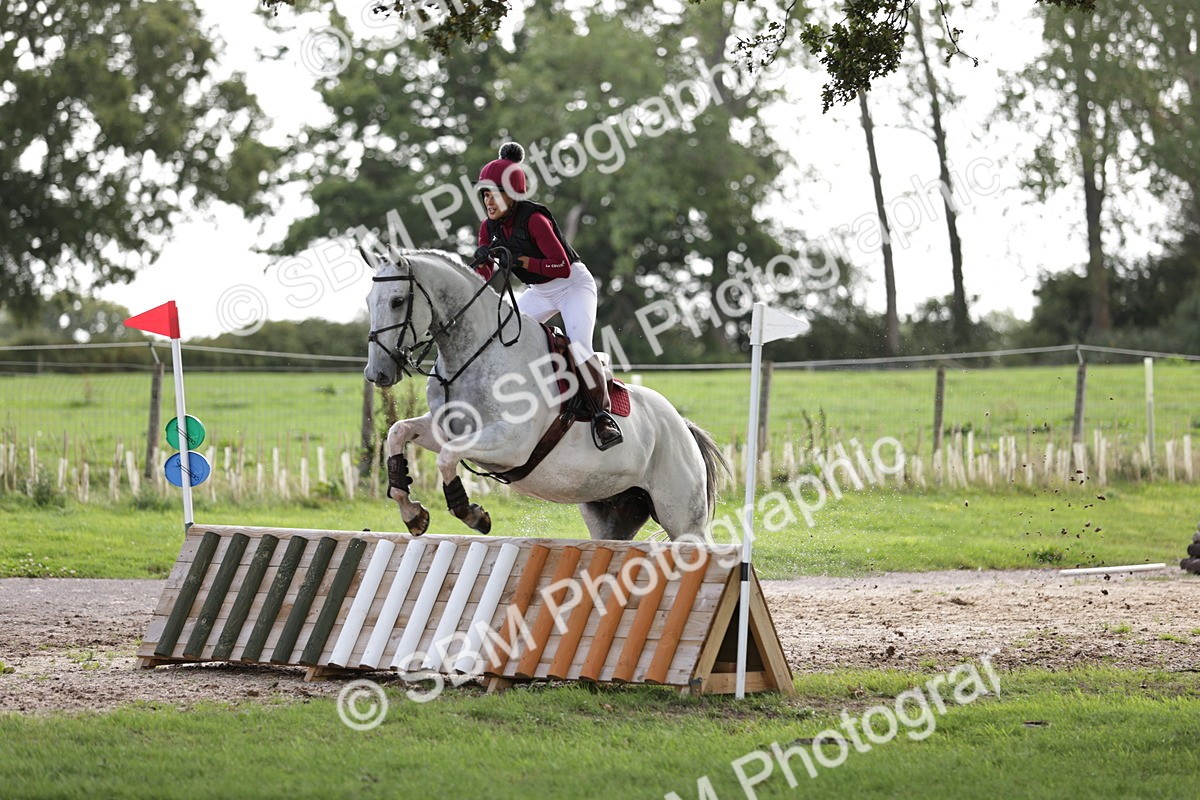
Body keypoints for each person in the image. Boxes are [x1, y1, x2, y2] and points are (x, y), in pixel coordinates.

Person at [471, 142, 623, 451]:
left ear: (512, 195)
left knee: (579, 345)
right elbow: (486, 280)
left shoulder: (534, 220)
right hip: (539, 292)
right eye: (485, 194)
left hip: (572, 286)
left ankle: (602, 416)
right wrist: (481, 264)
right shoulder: (488, 228)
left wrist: (522, 261)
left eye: (494, 193)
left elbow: (562, 267)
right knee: (500, 334)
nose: (488, 200)